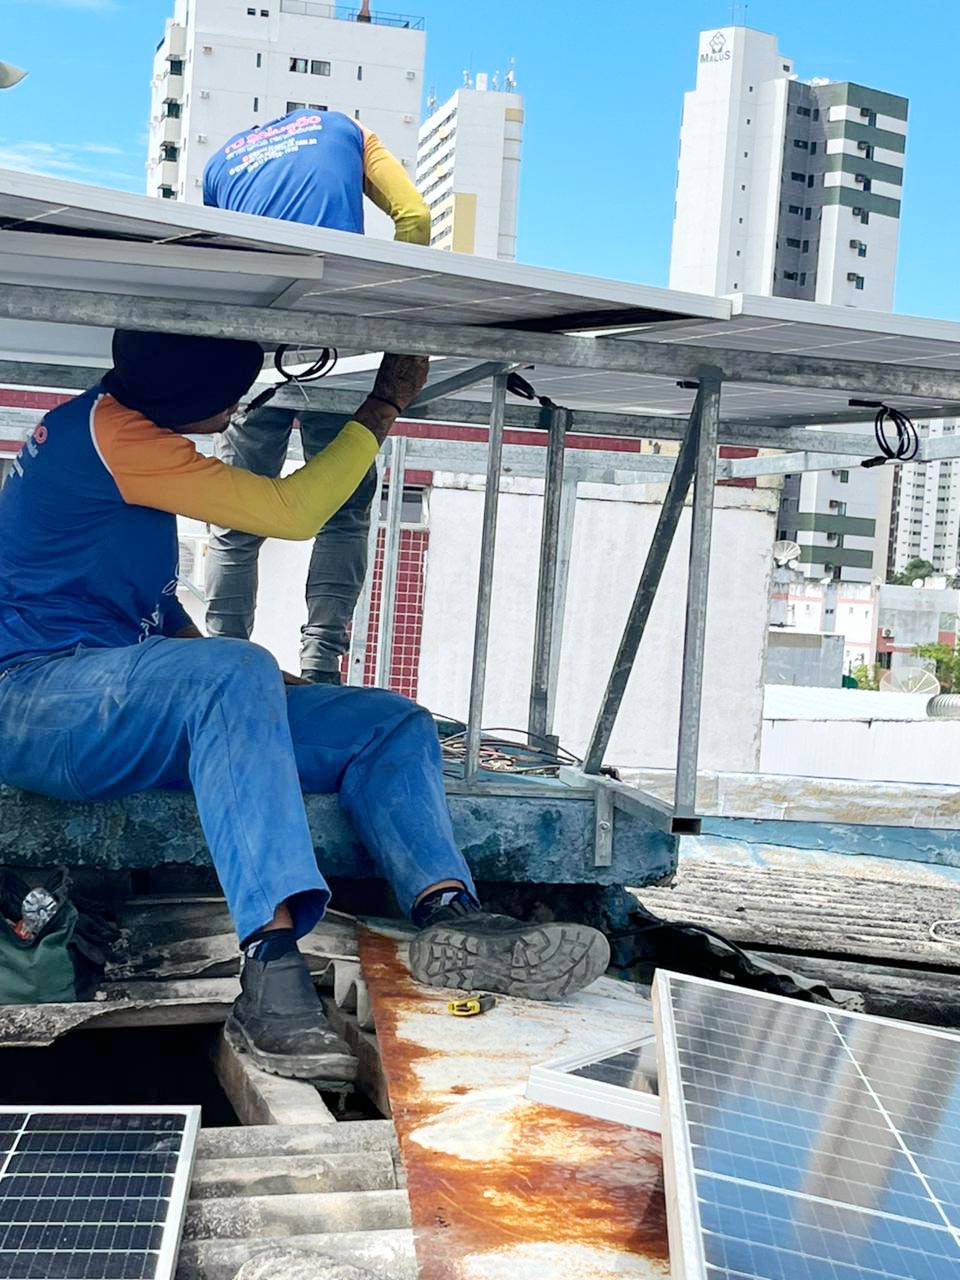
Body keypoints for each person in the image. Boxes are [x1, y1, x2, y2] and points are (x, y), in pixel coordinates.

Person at [0, 331, 610, 1082]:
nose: (236, 412)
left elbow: (154, 610)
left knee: (386, 723)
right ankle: (271, 967)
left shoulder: (115, 431)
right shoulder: (112, 437)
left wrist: (259, 687)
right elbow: (292, 512)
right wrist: (384, 404)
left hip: (113, 702)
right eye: (229, 398)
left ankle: (450, 913)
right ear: (186, 396)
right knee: (236, 667)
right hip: (36, 704)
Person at [202, 106, 432, 683]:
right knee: (342, 514)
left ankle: (222, 667)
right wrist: (398, 322)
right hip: (337, 345)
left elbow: (218, 259)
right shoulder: (349, 131)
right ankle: (322, 670)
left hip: (249, 355)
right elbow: (414, 217)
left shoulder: (221, 160)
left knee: (233, 520)